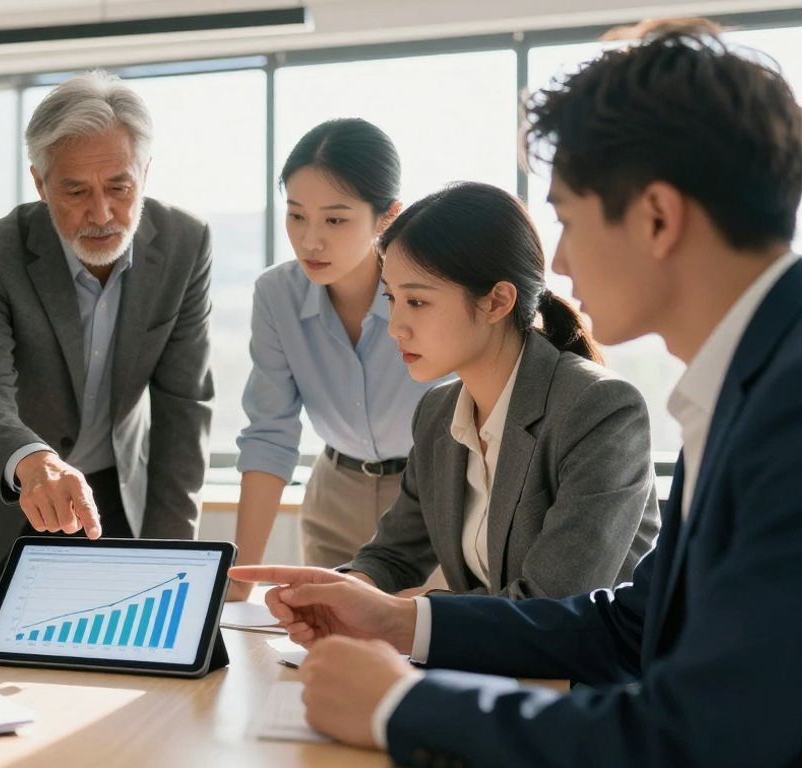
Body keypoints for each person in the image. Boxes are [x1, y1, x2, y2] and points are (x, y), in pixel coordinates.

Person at [231, 20, 802, 767]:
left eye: (565, 217)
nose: (557, 258)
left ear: (657, 216)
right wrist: (396, 623)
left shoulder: (784, 411)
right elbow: (628, 628)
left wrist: (402, 703)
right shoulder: (741, 392)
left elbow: (701, 737)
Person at [0, 70, 214, 582]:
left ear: (145, 174)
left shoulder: (185, 245)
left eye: (119, 186)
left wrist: (174, 552)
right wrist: (33, 461)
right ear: (40, 183)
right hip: (11, 502)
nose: (102, 212)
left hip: (120, 504)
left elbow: (183, 406)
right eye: (76, 191)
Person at [338, 181, 659, 598]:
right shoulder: (437, 413)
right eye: (391, 298)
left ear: (496, 301)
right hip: (490, 663)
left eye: (416, 302)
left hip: (590, 663)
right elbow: (393, 557)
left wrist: (406, 615)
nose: (396, 326)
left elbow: (553, 602)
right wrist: (339, 593)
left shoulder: (600, 409)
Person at [229, 119, 444, 601]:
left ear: (387, 216)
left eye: (335, 219)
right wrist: (240, 581)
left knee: (423, 649)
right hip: (334, 494)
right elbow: (270, 433)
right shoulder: (276, 295)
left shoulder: (431, 291)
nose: (310, 241)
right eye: (297, 216)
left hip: (432, 494)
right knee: (324, 649)